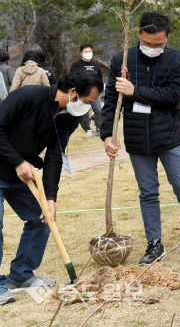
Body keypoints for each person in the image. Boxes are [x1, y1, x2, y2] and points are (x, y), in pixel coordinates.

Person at [101, 12, 180, 264]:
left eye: (159, 44)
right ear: (139, 34)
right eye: (148, 43)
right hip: (137, 137)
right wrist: (107, 135)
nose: (153, 48)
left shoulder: (176, 59)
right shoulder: (122, 59)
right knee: (148, 193)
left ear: (167, 37)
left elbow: (174, 95)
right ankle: (154, 244)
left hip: (170, 136)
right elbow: (112, 100)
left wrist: (136, 91)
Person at [0, 70, 102, 305]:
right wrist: (17, 161)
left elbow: (55, 156)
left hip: (22, 173)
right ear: (73, 92)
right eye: (88, 102)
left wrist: (51, 198)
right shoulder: (27, 97)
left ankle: (22, 275)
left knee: (41, 218)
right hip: (9, 164)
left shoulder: (69, 117)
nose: (88, 108)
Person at [70, 44, 105, 136]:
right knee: (85, 112)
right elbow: (72, 79)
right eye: (86, 52)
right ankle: (87, 129)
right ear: (81, 53)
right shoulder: (76, 65)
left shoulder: (95, 65)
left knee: (98, 110)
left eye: (90, 51)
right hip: (82, 92)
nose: (88, 53)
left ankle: (99, 128)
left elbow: (100, 78)